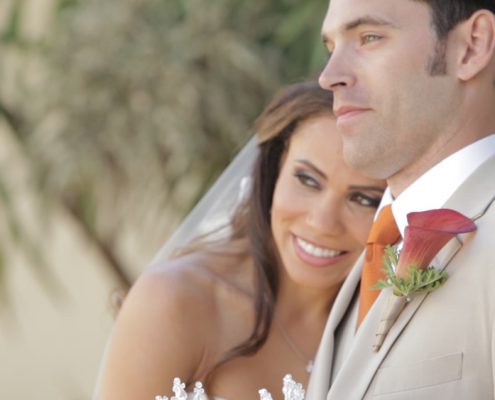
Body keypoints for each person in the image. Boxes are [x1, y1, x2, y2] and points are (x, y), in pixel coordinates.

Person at [93, 81, 386, 400]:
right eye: (307, 180)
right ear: (273, 173)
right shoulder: (175, 302)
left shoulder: (386, 328)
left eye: (363, 199)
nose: (322, 222)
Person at [307, 1, 495, 399]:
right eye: (330, 47)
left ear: (472, 46)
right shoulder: (369, 246)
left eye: (369, 37)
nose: (329, 76)